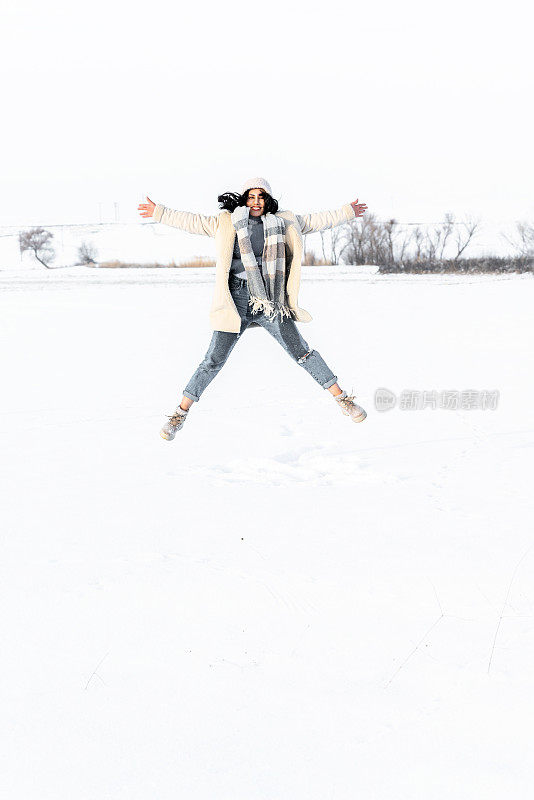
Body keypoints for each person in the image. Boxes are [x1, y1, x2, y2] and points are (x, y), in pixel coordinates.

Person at [137, 177, 368, 440]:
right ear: (245, 199)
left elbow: (317, 220)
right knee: (213, 360)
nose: (256, 201)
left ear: (268, 200)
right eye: (251, 196)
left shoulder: (284, 221)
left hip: (269, 300)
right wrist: (160, 212)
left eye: (261, 196)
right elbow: (192, 222)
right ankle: (179, 415)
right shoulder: (226, 222)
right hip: (235, 300)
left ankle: (343, 401)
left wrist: (347, 212)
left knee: (301, 352)